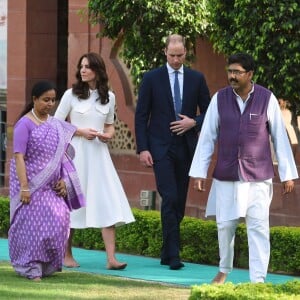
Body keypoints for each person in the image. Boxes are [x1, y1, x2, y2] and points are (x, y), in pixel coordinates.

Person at [189, 53, 299, 283]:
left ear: (250, 74)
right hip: (227, 175)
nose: (232, 76)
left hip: (258, 177)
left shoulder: (266, 98)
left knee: (258, 227)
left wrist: (288, 175)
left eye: (237, 72)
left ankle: (258, 279)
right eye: (230, 71)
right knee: (225, 225)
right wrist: (199, 171)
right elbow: (207, 136)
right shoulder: (219, 99)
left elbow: (279, 136)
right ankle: (224, 269)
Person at [135, 34, 211, 270]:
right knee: (170, 197)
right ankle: (174, 256)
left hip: (186, 146)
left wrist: (193, 122)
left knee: (179, 201)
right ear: (165, 53)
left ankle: (166, 251)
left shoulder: (196, 78)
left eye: (180, 56)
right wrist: (143, 148)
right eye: (172, 56)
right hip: (160, 147)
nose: (176, 60)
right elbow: (141, 115)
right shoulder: (151, 78)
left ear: (185, 53)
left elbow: (210, 113)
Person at [54, 52, 135, 270]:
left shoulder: (109, 96)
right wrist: (79, 131)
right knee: (70, 203)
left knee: (106, 201)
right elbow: (56, 124)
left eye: (88, 67)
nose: (83, 70)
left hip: (100, 156)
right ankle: (66, 255)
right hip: (75, 155)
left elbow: (109, 125)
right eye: (81, 66)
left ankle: (111, 259)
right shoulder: (70, 95)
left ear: (98, 70)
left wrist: (108, 134)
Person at [9, 80, 85, 281]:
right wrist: (25, 188)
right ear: (34, 99)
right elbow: (18, 157)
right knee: (34, 225)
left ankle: (46, 265)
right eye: (45, 100)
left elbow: (61, 156)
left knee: (60, 219)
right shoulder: (24, 125)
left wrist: (63, 181)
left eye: (53, 100)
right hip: (31, 186)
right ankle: (30, 267)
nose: (50, 104)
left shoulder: (55, 125)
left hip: (52, 187)